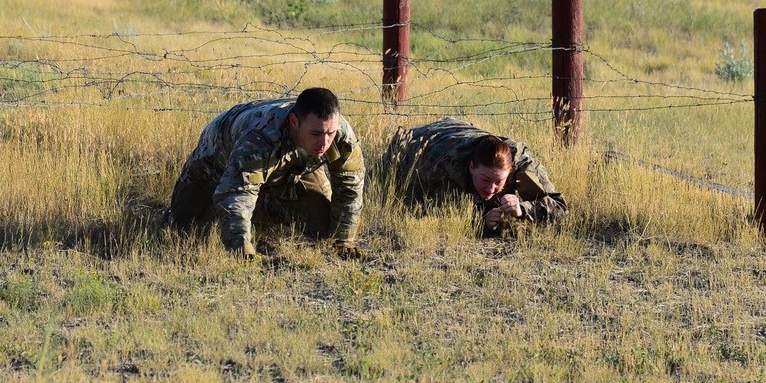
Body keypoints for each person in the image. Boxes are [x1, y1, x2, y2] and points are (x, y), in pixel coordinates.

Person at [166, 88, 366, 259]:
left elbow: (350, 188)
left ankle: (262, 209)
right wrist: (242, 250)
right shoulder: (260, 137)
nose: (324, 143)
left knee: (325, 226)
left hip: (289, 170)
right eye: (316, 134)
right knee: (182, 228)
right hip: (215, 166)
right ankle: (249, 211)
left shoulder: (341, 134)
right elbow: (237, 192)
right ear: (294, 121)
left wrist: (342, 241)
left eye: (329, 134)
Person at [386, 117, 566, 236]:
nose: (490, 189)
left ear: (510, 171)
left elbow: (560, 209)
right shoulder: (443, 167)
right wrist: (481, 223)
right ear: (472, 168)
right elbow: (430, 218)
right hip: (415, 143)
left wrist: (522, 210)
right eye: (485, 180)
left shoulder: (521, 162)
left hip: (461, 130)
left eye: (498, 182)